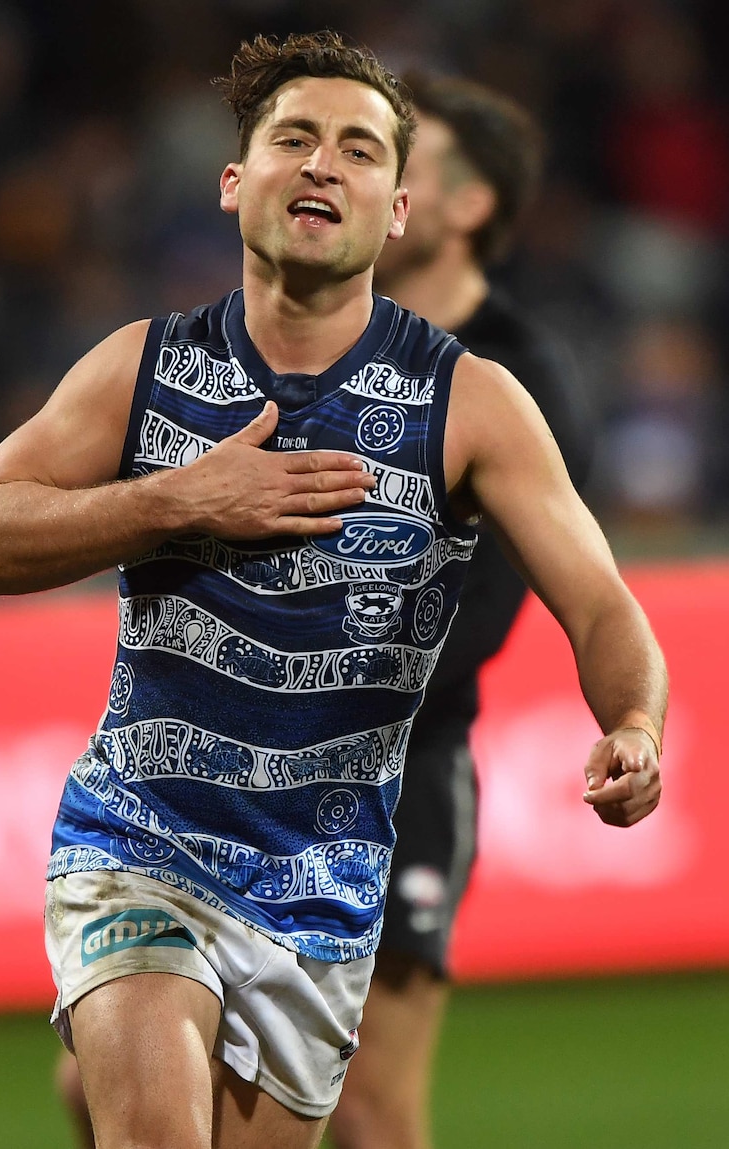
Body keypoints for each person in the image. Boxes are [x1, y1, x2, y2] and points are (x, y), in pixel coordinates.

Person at [0, 30, 666, 1149]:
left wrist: (632, 720)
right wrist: (179, 500)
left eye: (360, 150)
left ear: (399, 210)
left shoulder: (473, 404)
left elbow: (602, 602)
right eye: (294, 139)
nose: (323, 164)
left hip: (322, 886)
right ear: (236, 184)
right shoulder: (141, 368)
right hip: (141, 835)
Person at [328, 74, 597, 1149]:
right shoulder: (317, 340)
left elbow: (482, 615)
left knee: (370, 1111)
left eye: (397, 162)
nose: (368, 184)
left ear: (465, 205)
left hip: (400, 770)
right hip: (237, 766)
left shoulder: (513, 379)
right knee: (103, 1091)